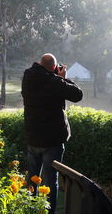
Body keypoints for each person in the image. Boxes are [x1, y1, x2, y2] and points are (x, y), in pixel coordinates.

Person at [21, 53, 83, 214]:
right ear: (54, 68)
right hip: (52, 141)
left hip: (32, 137)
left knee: (32, 177)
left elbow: (43, 80)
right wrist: (63, 78)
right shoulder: (55, 82)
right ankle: (48, 212)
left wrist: (55, 77)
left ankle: (28, 208)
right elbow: (77, 95)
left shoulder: (27, 76)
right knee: (50, 181)